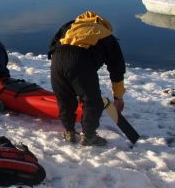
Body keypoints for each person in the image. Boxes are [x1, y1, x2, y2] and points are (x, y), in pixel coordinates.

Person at [48, 11, 126, 146]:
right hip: (81, 60)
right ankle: (89, 136)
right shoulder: (107, 35)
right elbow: (117, 69)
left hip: (57, 58)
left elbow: (52, 45)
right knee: (92, 102)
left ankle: (69, 132)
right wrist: (118, 97)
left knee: (65, 99)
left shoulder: (70, 26)